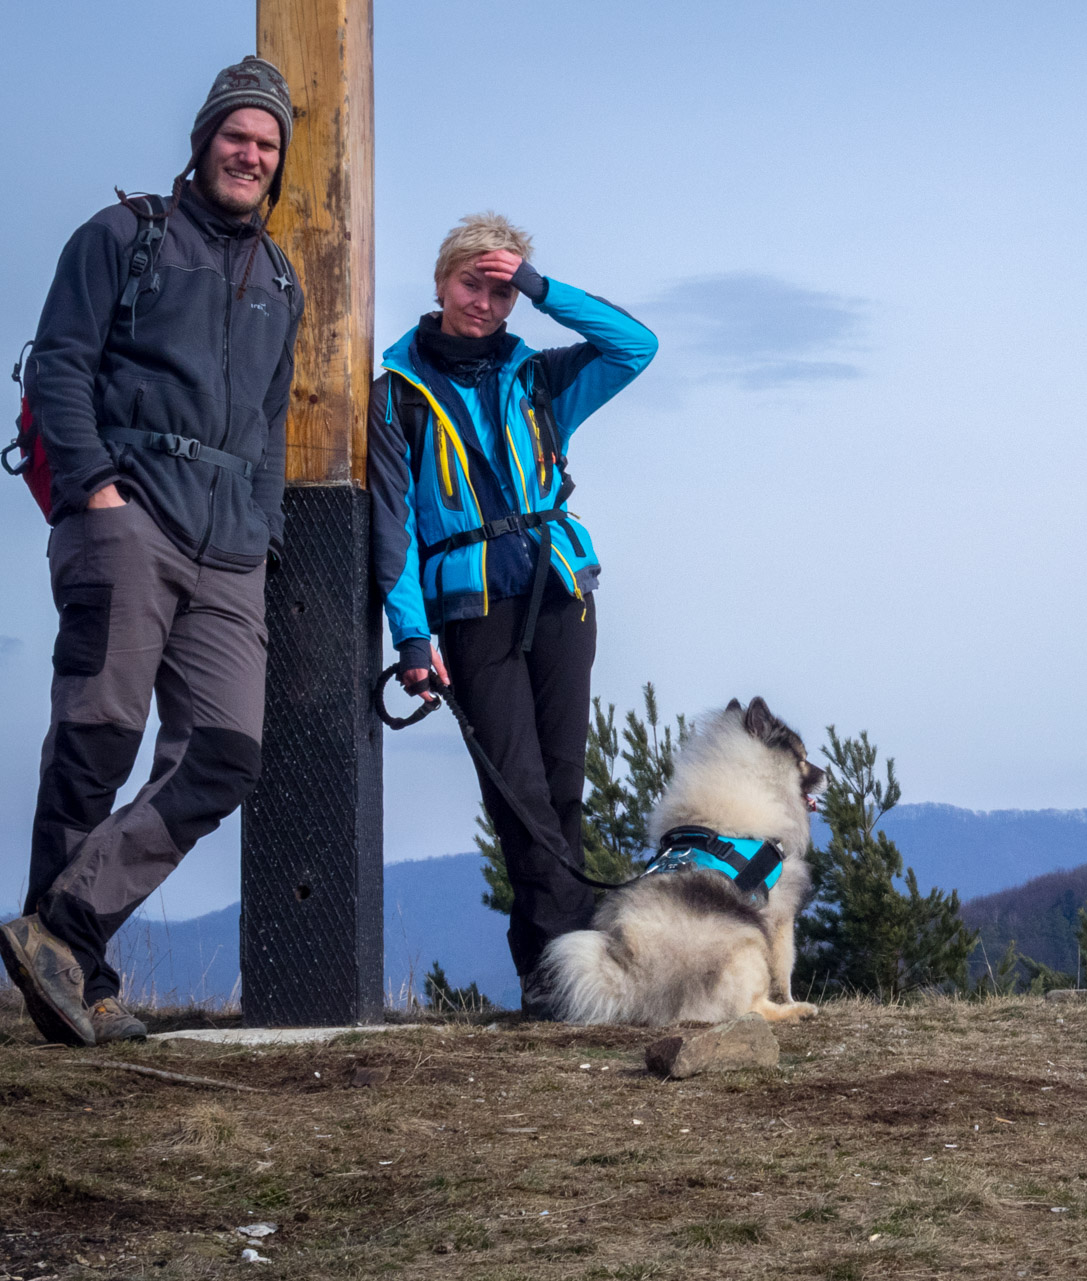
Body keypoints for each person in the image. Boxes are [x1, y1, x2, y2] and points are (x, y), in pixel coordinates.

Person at [0, 57, 305, 1046]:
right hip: (127, 517)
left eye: (266, 145)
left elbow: (266, 424)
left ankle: (63, 930)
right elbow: (59, 365)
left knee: (225, 754)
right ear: (204, 139)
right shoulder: (123, 235)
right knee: (97, 734)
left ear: (278, 161)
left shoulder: (281, 279)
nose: (249, 155)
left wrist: (262, 536)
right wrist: (95, 490)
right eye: (236, 136)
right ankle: (75, 988)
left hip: (231, 550)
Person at [368, 213, 656, 1015]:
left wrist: (542, 285)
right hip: (470, 609)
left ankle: (556, 976)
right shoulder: (395, 394)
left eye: (501, 292)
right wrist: (413, 636)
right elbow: (392, 530)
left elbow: (637, 346)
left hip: (562, 595)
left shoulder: (542, 378)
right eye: (474, 284)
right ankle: (568, 974)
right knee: (518, 794)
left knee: (563, 783)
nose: (486, 304)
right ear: (439, 282)